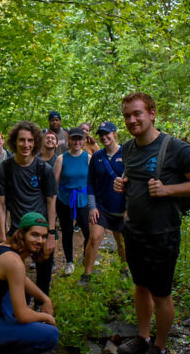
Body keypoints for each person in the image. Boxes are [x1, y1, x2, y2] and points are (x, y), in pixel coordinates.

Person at [114, 92, 190, 354]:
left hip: (162, 233)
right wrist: (122, 184)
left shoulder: (176, 148)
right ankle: (142, 338)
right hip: (134, 231)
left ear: (152, 113)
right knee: (140, 286)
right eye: (127, 116)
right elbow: (132, 178)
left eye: (137, 114)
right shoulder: (127, 147)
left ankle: (160, 346)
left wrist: (168, 190)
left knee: (161, 293)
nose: (131, 120)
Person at [0, 212, 59, 354]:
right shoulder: (14, 262)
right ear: (22, 234)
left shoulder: (2, 247)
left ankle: (7, 333)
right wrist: (46, 317)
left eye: (44, 236)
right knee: (51, 335)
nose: (40, 241)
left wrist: (45, 299)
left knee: (25, 293)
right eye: (34, 235)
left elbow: (22, 279)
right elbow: (23, 315)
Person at [0, 121, 58, 303]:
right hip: (17, 230)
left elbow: (51, 200)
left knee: (44, 273)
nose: (26, 145)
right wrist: (1, 234)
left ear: (36, 142)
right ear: (14, 142)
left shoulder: (43, 169)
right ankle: (16, 306)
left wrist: (52, 234)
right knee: (12, 272)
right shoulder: (5, 169)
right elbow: (1, 203)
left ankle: (41, 305)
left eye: (30, 141)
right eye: (22, 140)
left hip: (41, 229)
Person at [79, 121, 128, 287]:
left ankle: (124, 269)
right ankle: (87, 274)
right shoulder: (97, 157)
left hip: (121, 208)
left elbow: (133, 182)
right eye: (101, 134)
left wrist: (129, 208)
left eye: (107, 133)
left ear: (114, 133)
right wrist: (92, 207)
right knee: (94, 238)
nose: (104, 136)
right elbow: (90, 182)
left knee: (121, 243)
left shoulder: (126, 154)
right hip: (101, 207)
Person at [54, 127, 91, 276]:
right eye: (74, 139)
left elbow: (93, 182)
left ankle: (86, 256)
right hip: (65, 199)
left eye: (79, 139)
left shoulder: (89, 158)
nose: (76, 142)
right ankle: (69, 262)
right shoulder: (61, 158)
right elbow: (55, 183)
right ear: (69, 140)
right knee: (67, 231)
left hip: (83, 199)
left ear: (83, 141)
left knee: (88, 231)